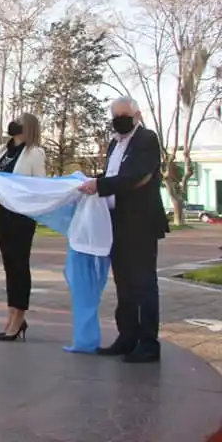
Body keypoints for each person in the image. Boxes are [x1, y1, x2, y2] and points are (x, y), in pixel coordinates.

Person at [78, 97, 168, 363]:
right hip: (116, 222)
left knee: (143, 283)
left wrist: (100, 185)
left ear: (137, 115)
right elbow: (112, 176)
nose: (119, 120)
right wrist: (94, 184)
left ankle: (148, 343)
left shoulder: (147, 140)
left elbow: (135, 176)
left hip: (140, 223)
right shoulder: (114, 144)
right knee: (123, 284)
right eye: (115, 116)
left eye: (124, 115)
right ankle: (127, 337)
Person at [0, 113, 46, 342]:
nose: (14, 124)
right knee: (9, 266)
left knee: (19, 265)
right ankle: (12, 315)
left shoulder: (34, 153)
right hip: (3, 212)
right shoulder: (3, 151)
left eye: (20, 122)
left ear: (28, 128)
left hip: (22, 215)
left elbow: (39, 185)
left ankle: (19, 315)